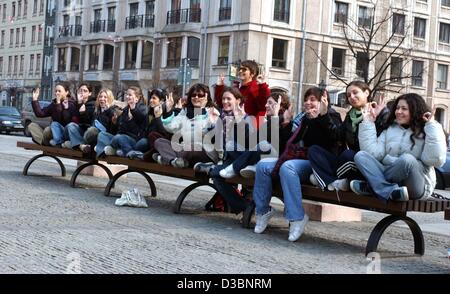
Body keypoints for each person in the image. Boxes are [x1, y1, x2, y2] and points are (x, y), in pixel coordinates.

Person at [252, 87, 341, 242]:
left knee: (288, 168)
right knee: (262, 166)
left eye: (312, 99)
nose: (308, 102)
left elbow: (333, 141)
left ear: (323, 101)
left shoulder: (332, 116)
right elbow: (285, 144)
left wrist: (323, 116)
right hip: (299, 158)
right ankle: (263, 211)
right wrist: (285, 122)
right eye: (306, 99)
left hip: (319, 165)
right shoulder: (305, 119)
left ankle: (296, 217)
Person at [350, 93, 447, 202]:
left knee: (407, 159)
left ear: (415, 110)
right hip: (391, 178)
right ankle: (386, 190)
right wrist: (368, 122)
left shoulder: (427, 130)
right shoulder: (390, 129)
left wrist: (431, 125)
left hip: (416, 185)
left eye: (404, 108)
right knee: (361, 156)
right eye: (397, 108)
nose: (398, 112)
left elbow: (434, 160)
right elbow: (374, 154)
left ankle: (374, 187)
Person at [308, 81, 388, 192]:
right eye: (349, 95)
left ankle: (326, 179)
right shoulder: (351, 115)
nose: (352, 97)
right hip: (347, 163)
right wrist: (324, 114)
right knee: (314, 150)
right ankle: (333, 181)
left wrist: (376, 118)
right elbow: (336, 136)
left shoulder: (379, 112)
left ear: (366, 93)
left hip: (366, 163)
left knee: (348, 154)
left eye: (355, 93)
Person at [154, 83, 220, 168]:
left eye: (200, 95)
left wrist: (201, 109)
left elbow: (204, 132)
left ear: (206, 97)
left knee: (192, 148)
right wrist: (169, 111)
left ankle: (165, 158)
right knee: (159, 141)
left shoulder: (212, 112)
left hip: (204, 151)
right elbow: (171, 128)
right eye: (193, 95)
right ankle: (173, 161)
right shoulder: (185, 112)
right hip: (184, 148)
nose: (196, 97)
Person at [215, 60, 270, 127]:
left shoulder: (256, 87)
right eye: (240, 69)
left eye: (244, 69)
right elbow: (222, 104)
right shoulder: (237, 87)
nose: (240, 71)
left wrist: (255, 127)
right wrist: (219, 86)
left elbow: (263, 106)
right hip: (233, 125)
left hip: (248, 127)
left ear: (252, 74)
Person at [97, 86, 147, 157]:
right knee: (102, 135)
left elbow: (140, 117)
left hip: (134, 140)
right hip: (120, 138)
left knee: (119, 138)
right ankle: (116, 151)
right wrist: (114, 123)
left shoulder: (143, 108)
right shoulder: (126, 110)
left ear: (137, 98)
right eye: (126, 94)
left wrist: (133, 109)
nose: (127, 96)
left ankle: (130, 153)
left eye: (130, 95)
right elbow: (119, 130)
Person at [127, 88, 171, 159]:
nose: (151, 100)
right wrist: (132, 109)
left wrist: (157, 118)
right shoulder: (150, 113)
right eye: (151, 98)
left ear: (162, 101)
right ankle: (131, 152)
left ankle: (131, 152)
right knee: (121, 138)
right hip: (142, 140)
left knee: (143, 142)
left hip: (154, 144)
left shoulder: (166, 114)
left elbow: (163, 133)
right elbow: (140, 122)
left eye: (154, 98)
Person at [82, 88, 117, 154]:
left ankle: (82, 145)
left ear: (109, 99)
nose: (102, 99)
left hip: (105, 137)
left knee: (93, 131)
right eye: (100, 97)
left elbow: (113, 131)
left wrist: (108, 111)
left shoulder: (113, 111)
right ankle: (82, 145)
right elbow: (87, 122)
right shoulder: (96, 110)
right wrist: (82, 113)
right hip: (93, 137)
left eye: (105, 97)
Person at [64, 83, 96, 151]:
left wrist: (81, 109)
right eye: (80, 90)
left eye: (85, 91)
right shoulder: (74, 103)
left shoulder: (92, 105)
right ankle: (80, 145)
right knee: (70, 125)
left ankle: (76, 144)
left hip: (85, 132)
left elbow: (87, 122)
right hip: (72, 131)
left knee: (72, 126)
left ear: (89, 93)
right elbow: (67, 120)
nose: (82, 92)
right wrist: (66, 109)